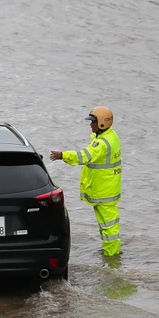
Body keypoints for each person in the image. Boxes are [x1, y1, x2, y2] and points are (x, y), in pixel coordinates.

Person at [51, 106, 122, 257]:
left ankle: (112, 257)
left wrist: (63, 155)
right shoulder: (111, 136)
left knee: (109, 227)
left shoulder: (102, 143)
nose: (90, 125)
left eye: (93, 122)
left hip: (104, 191)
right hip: (107, 189)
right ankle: (110, 255)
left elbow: (84, 156)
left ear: (102, 123)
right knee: (107, 226)